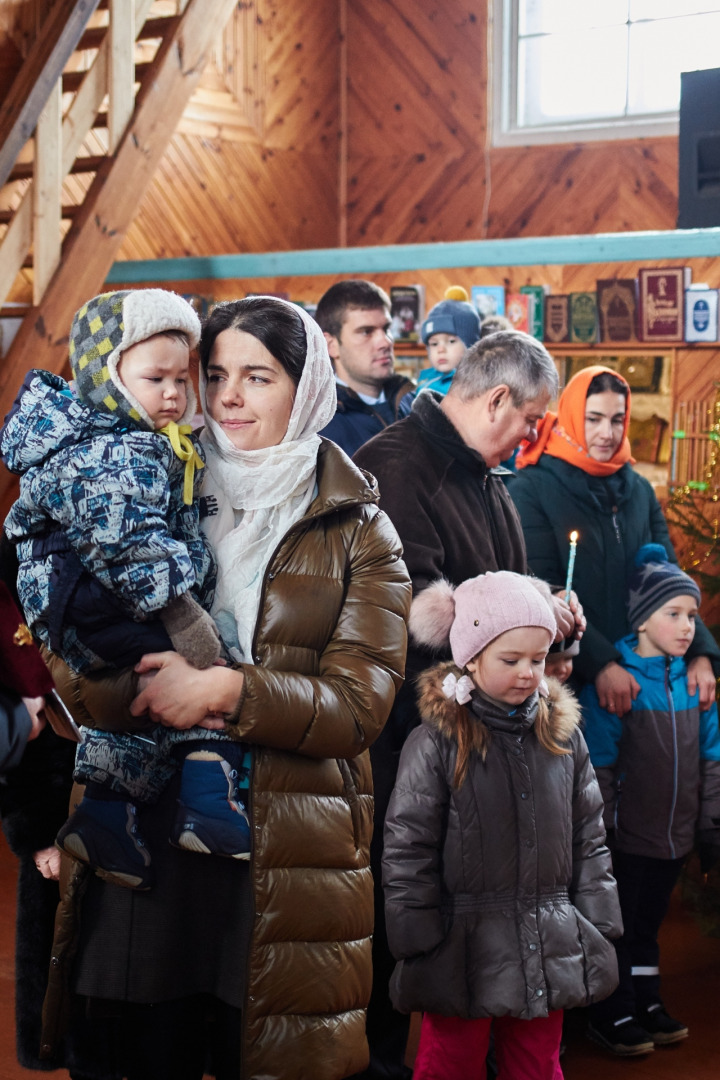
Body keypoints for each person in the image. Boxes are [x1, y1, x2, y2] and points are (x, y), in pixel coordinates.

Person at [40, 295, 411, 1080]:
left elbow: (357, 706)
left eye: (258, 376)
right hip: (144, 851)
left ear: (307, 385)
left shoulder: (358, 527)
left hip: (285, 857)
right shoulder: (151, 484)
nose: (230, 396)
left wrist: (222, 693)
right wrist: (133, 688)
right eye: (215, 375)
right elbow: (70, 651)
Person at [353, 330, 585, 1080]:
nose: (531, 436)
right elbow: (411, 625)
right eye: (529, 419)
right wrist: (520, 637)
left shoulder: (484, 478)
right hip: (411, 750)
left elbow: (500, 601)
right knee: (399, 942)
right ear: (496, 401)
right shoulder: (394, 467)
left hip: (485, 754)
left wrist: (548, 619)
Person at [0, 288, 253, 890]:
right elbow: (127, 543)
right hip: (91, 593)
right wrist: (185, 615)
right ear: (107, 378)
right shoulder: (115, 449)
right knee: (208, 667)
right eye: (153, 378)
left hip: (78, 597)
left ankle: (106, 816)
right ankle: (209, 798)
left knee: (137, 704)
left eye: (181, 379)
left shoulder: (122, 437)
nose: (172, 393)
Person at [383, 571, 621, 1080]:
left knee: (536, 1063)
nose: (528, 674)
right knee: (452, 1063)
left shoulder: (564, 738)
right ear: (470, 658)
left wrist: (598, 918)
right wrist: (416, 935)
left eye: (538, 660)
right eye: (510, 660)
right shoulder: (436, 743)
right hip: (460, 941)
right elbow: (408, 847)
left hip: (548, 932)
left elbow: (590, 835)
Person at [509, 365, 720, 712]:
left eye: (617, 419)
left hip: (642, 672)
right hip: (570, 676)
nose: (607, 433)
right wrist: (603, 664)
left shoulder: (637, 489)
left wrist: (700, 653)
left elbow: (668, 579)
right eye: (593, 419)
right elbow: (541, 589)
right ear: (573, 417)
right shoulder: (531, 488)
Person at [582, 544, 720, 1057]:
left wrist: (709, 827)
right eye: (674, 614)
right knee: (616, 924)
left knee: (647, 926)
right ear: (642, 621)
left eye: (692, 615)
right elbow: (601, 764)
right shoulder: (621, 683)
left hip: (674, 839)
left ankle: (647, 1001)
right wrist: (606, 830)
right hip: (627, 837)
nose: (688, 627)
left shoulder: (694, 684)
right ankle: (610, 1008)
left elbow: (711, 760)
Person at [316, 279, 415, 455]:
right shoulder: (320, 430)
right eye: (366, 332)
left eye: (386, 329)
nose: (385, 342)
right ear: (331, 345)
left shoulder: (416, 403)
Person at [416, 286, 481, 396]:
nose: (440, 350)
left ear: (471, 346)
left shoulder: (475, 384)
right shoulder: (425, 378)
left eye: (451, 341)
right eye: (434, 344)